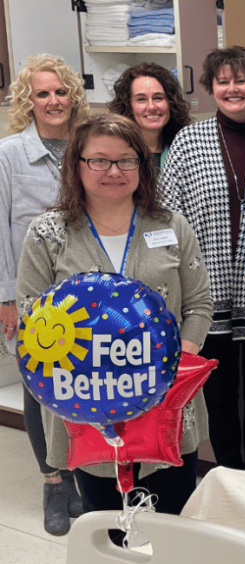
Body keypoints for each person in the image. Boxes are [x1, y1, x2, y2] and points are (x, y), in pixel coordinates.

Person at [16, 113, 212, 517]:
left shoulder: (170, 225)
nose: (114, 171)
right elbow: (28, 322)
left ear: (142, 165)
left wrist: (173, 364)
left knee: (174, 521)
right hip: (88, 413)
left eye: (127, 160)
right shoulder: (48, 234)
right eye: (99, 160)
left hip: (165, 403)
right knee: (106, 527)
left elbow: (198, 305)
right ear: (76, 165)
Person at [159, 46, 245, 472]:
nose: (233, 89)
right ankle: (226, 470)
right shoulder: (188, 142)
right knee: (219, 390)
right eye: (223, 81)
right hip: (205, 290)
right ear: (211, 89)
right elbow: (167, 214)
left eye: (241, 80)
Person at [0, 53, 88, 536]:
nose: (54, 101)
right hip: (33, 297)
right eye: (42, 93)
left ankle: (83, 472)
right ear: (27, 101)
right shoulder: (9, 155)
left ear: (73, 96)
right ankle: (55, 481)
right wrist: (4, 298)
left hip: (85, 298)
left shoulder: (88, 145)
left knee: (82, 388)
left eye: (61, 91)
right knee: (41, 390)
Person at [108, 62, 191, 172]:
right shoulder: (115, 154)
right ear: (128, 106)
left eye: (158, 98)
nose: (151, 107)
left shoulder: (185, 150)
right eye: (141, 99)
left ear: (171, 103)